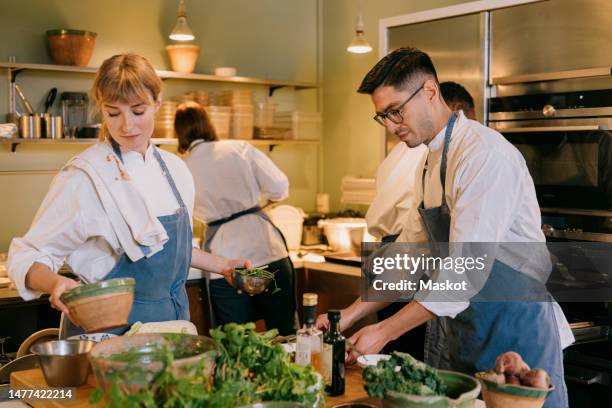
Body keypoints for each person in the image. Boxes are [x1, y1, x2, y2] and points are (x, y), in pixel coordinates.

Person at [321, 47, 570, 407]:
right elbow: (408, 259)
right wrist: (350, 315)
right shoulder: (430, 161)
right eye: (383, 117)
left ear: (429, 91)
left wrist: (385, 331)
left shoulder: (483, 155)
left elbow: (466, 272)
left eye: (395, 111)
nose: (391, 127)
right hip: (470, 336)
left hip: (518, 335)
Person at [7, 54, 250, 333]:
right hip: (106, 335)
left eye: (138, 111)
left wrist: (225, 265)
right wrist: (54, 282)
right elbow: (28, 254)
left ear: (157, 102)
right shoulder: (85, 176)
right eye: (113, 113)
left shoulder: (175, 170)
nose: (127, 125)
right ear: (102, 108)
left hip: (171, 327)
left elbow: (171, 249)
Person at [174, 101, 296, 336]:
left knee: (236, 341)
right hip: (269, 250)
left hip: (225, 260)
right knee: (285, 333)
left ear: (178, 133)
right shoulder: (239, 148)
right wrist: (259, 205)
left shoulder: (182, 168)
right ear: (208, 123)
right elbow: (279, 186)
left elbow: (182, 218)